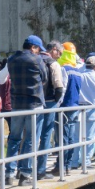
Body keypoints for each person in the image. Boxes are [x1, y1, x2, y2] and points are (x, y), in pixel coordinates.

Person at [5, 35, 48, 184]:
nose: (39, 52)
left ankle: (9, 173)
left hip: (17, 104)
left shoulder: (11, 59)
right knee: (31, 139)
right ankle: (25, 174)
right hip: (34, 103)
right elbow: (44, 77)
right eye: (38, 49)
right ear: (33, 47)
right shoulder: (37, 60)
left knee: (14, 138)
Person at [36, 41, 66, 180]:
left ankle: (23, 170)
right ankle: (40, 170)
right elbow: (58, 86)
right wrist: (56, 101)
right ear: (54, 50)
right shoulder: (53, 63)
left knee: (30, 136)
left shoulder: (34, 59)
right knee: (46, 135)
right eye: (59, 53)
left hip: (33, 102)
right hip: (48, 102)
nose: (59, 56)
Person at [59, 47, 85, 169]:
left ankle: (62, 165)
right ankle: (68, 164)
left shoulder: (63, 69)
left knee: (63, 137)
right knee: (71, 137)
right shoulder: (78, 71)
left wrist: (58, 104)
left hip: (65, 107)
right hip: (75, 106)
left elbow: (63, 89)